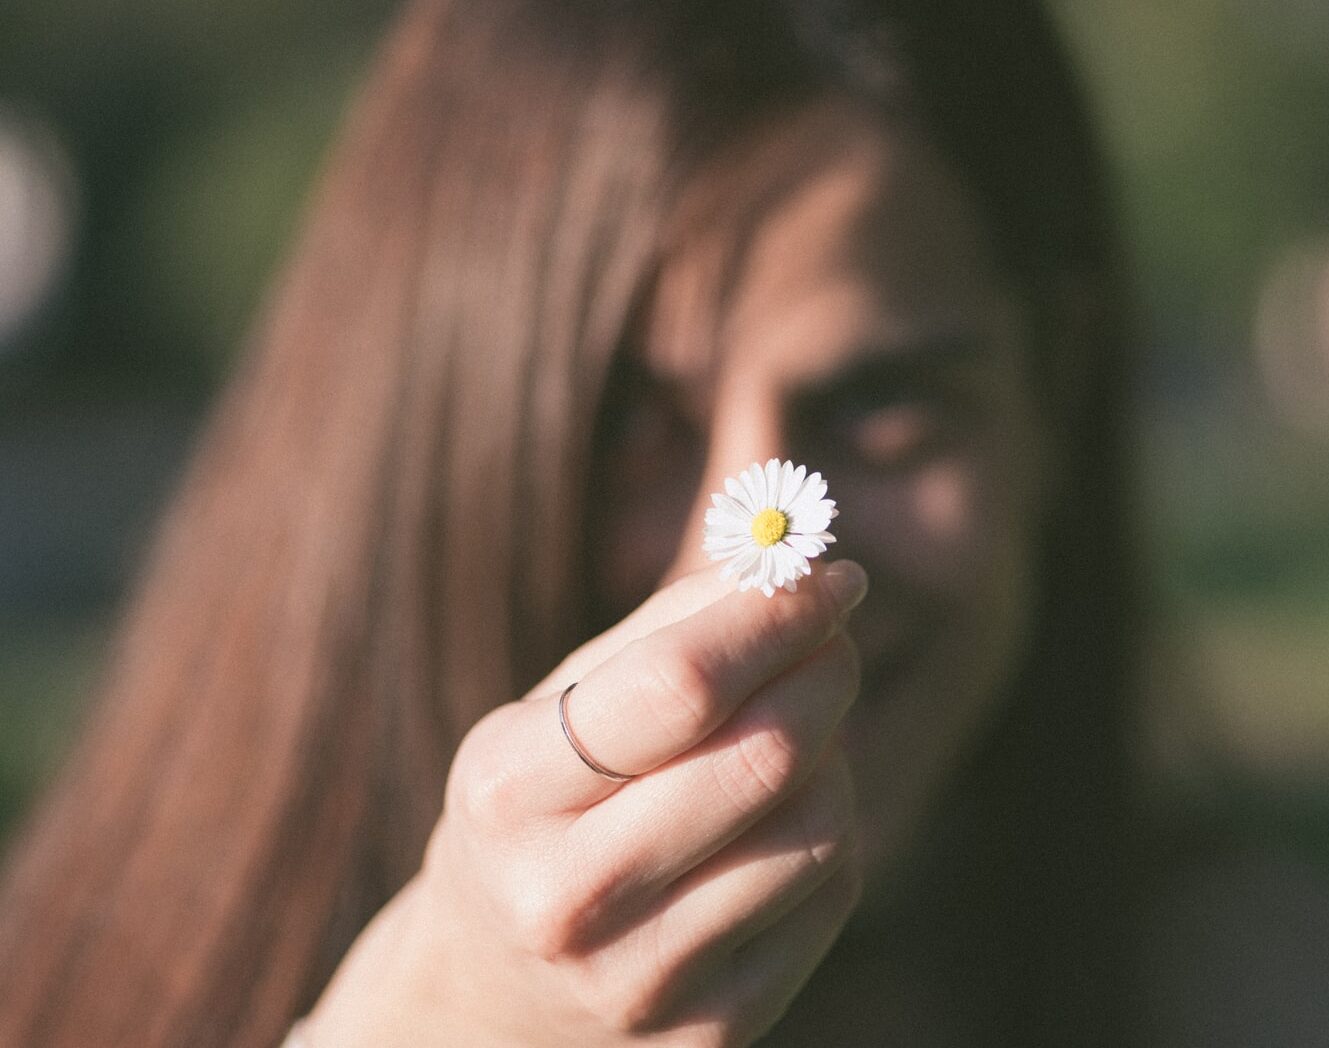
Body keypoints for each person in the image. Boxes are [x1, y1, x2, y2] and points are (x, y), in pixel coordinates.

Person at [0, 0, 1146, 1044]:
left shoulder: (1279, 994)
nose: (730, 566)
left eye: (887, 408)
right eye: (626, 430)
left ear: (1051, 394)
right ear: (420, 451)